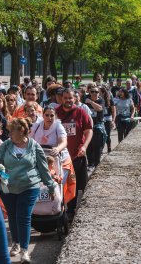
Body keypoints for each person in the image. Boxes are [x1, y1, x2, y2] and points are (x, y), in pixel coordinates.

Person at [0, 118, 56, 263]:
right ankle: (15, 243)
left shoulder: (34, 146)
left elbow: (43, 168)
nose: (9, 134)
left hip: (29, 186)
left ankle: (24, 251)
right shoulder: (6, 145)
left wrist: (51, 186)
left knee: (23, 216)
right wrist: (2, 177)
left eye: (11, 131)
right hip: (8, 187)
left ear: (22, 130)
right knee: (12, 215)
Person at [55, 89, 93, 217]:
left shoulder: (81, 112)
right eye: (65, 98)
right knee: (60, 184)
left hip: (77, 156)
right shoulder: (55, 113)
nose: (68, 100)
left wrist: (85, 147)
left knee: (78, 185)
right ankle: (60, 211)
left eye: (70, 98)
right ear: (61, 99)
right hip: (60, 158)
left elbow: (89, 131)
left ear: (75, 99)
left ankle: (72, 211)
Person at [30, 106, 76, 204]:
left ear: (55, 116)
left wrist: (58, 148)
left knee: (58, 182)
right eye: (47, 115)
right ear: (43, 115)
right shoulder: (37, 125)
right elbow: (29, 140)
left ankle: (58, 203)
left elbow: (64, 141)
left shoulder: (58, 126)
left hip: (58, 159)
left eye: (52, 115)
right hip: (40, 158)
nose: (49, 118)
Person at [85, 86, 106, 168]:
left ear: (99, 93)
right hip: (88, 127)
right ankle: (90, 164)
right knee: (89, 146)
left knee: (97, 146)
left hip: (98, 126)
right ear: (89, 92)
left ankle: (97, 164)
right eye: (92, 92)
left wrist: (90, 102)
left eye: (96, 92)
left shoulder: (101, 100)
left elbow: (99, 108)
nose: (94, 93)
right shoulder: (85, 100)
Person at [99, 86, 115, 153]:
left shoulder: (110, 100)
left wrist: (113, 121)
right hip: (101, 120)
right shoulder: (98, 101)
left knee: (107, 135)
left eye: (99, 92)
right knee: (100, 135)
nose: (97, 94)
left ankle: (109, 147)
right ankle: (101, 149)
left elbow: (113, 111)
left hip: (108, 119)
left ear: (103, 93)